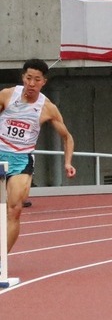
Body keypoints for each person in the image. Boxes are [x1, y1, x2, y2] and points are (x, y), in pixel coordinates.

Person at [0, 59, 76, 256]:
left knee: (14, 209)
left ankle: (2, 259)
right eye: (28, 78)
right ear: (23, 78)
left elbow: (67, 137)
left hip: (21, 160)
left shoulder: (47, 108)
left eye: (36, 80)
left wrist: (67, 162)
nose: (31, 84)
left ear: (44, 82)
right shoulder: (7, 95)